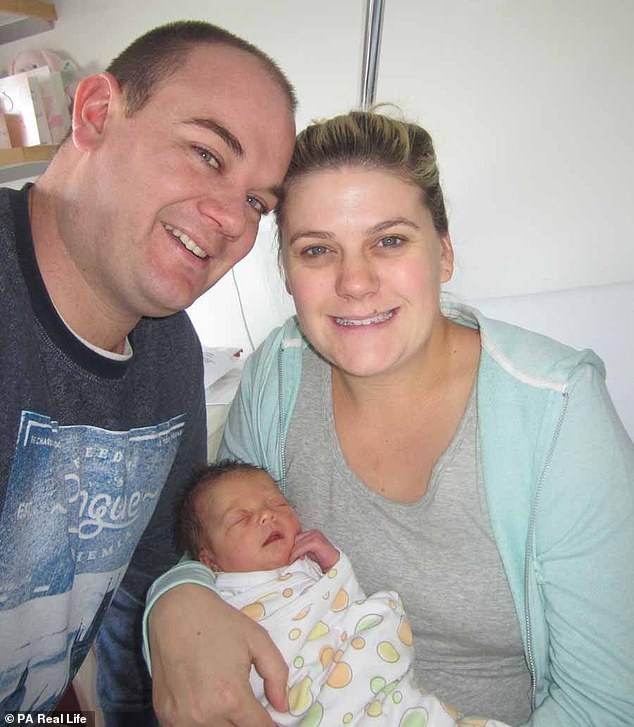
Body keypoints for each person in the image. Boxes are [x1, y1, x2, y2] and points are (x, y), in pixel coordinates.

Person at [144, 110, 634, 726]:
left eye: (390, 241)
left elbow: (606, 702)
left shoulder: (557, 411)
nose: (354, 282)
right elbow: (213, 543)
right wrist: (173, 598)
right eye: (317, 250)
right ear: (287, 274)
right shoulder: (278, 375)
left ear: (444, 253)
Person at [0, 19, 296, 725]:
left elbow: (148, 590)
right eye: (206, 153)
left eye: (258, 202)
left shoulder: (170, 355)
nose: (233, 221)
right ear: (96, 114)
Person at [173, 459, 510, 727]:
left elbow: (347, 610)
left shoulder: (306, 565)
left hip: (381, 695)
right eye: (241, 518)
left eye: (277, 503)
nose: (266, 516)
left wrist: (337, 569)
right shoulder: (219, 601)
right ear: (209, 560)